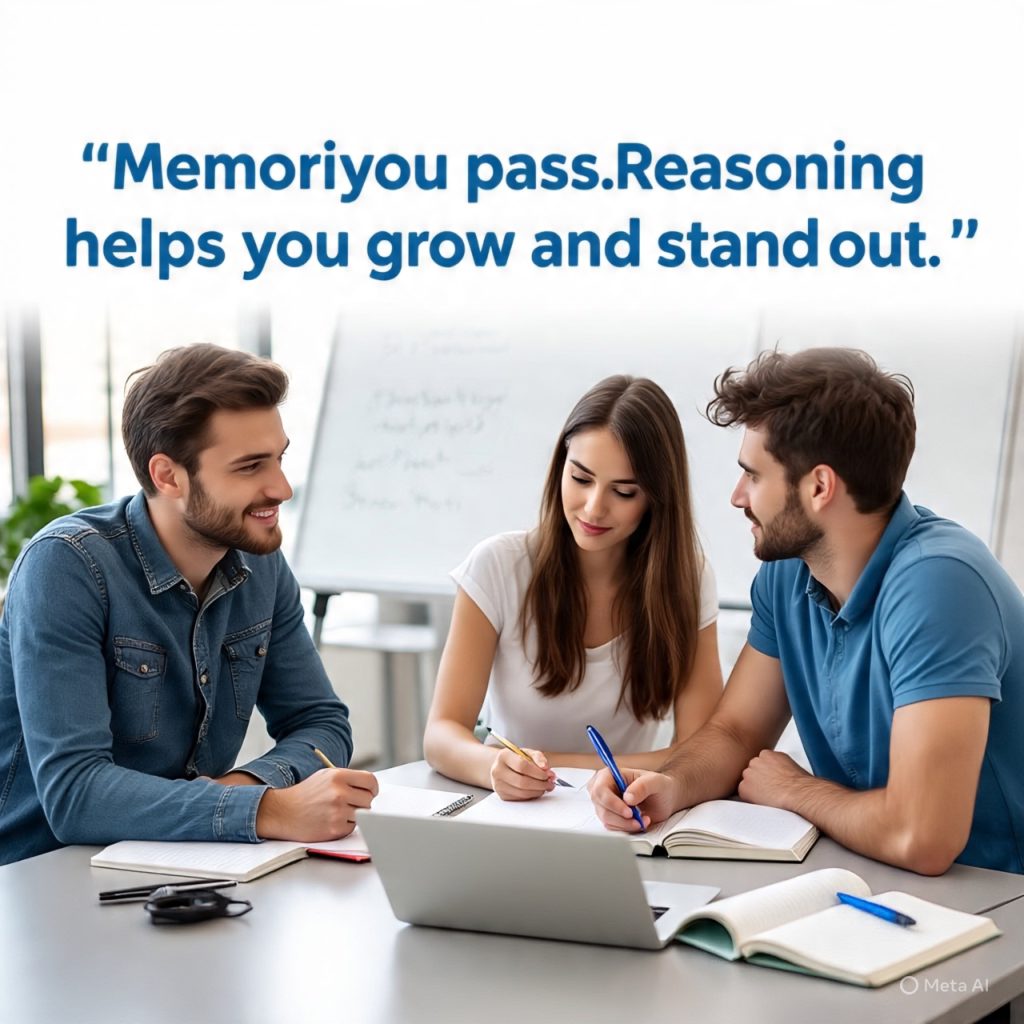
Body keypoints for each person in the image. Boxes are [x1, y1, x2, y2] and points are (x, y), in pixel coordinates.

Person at [590, 347, 1024, 875]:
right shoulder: (788, 572)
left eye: (753, 475)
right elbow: (735, 733)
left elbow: (923, 838)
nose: (736, 496)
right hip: (872, 875)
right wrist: (672, 785)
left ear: (819, 487)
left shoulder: (941, 584)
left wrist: (795, 789)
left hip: (995, 896)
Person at [0, 344, 377, 865]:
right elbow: (75, 795)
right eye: (249, 467)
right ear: (168, 476)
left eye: (280, 458)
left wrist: (246, 789)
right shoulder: (66, 567)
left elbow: (320, 721)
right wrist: (263, 810)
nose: (282, 488)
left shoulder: (259, 562)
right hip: (41, 878)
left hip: (181, 864)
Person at [423, 374, 723, 800]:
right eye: (581, 479)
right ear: (559, 467)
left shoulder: (688, 579)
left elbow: (702, 755)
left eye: (623, 491)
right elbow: (441, 734)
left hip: (629, 810)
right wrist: (496, 766)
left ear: (657, 498)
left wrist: (557, 763)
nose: (594, 507)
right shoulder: (497, 566)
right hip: (512, 808)